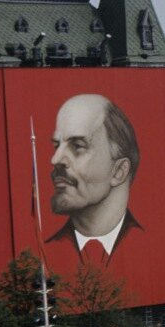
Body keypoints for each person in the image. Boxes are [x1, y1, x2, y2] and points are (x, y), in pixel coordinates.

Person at [43, 94, 143, 274]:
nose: (56, 159)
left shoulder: (152, 244)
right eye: (57, 146)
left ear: (119, 171)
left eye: (77, 146)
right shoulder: (41, 256)